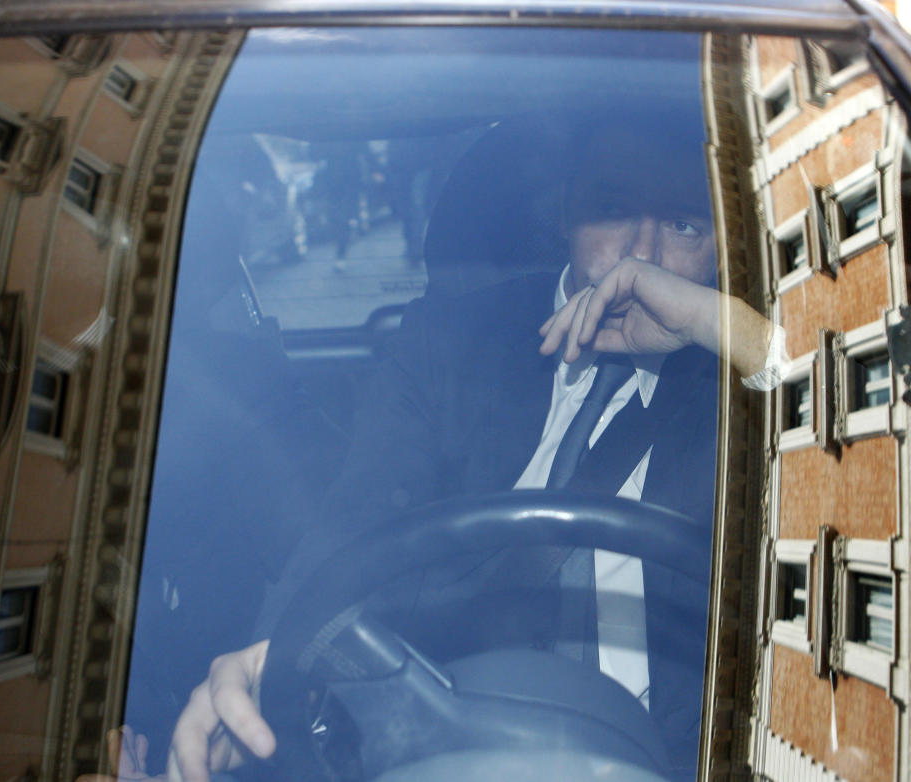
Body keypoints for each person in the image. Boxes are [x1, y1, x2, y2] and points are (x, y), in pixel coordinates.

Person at [104, 113, 779, 782]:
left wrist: (723, 326)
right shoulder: (451, 342)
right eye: (611, 208)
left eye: (686, 224)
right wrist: (275, 657)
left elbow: (840, 441)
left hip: (673, 760)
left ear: (724, 245)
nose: (642, 257)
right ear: (566, 210)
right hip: (445, 739)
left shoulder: (738, 380)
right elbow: (355, 519)